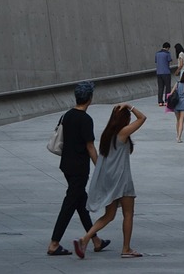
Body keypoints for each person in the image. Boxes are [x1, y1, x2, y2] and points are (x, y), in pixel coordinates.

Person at [75, 103, 146, 259]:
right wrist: (130, 106)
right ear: (124, 118)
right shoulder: (123, 133)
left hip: (110, 179)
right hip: (122, 179)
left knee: (109, 215)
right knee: (128, 214)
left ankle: (86, 238)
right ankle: (126, 248)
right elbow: (142, 118)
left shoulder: (108, 134)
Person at [47, 82, 109, 256]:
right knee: (69, 204)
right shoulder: (86, 119)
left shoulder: (67, 115)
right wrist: (99, 168)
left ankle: (95, 240)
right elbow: (90, 146)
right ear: (89, 98)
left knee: (81, 203)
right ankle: (54, 243)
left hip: (66, 165)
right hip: (80, 169)